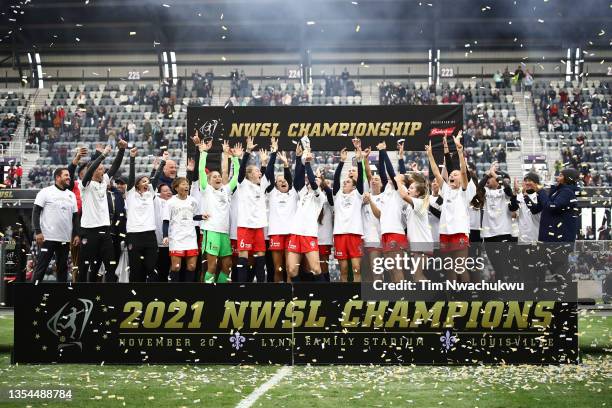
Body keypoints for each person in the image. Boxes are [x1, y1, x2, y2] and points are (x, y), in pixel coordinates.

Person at [78, 141, 126, 282]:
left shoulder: (104, 181)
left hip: (105, 230)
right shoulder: (85, 185)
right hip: (89, 230)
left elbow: (115, 166)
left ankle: (110, 294)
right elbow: (91, 170)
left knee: (110, 265)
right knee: (86, 265)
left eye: (102, 168)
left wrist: (121, 150)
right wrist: (103, 155)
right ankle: (82, 292)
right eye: (99, 169)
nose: (103, 171)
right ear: (92, 171)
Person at [426, 132, 470, 281]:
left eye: (455, 174)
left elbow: (463, 171)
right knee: (449, 270)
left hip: (459, 232)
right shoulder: (445, 189)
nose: (452, 175)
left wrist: (459, 151)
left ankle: (468, 298)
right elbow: (436, 172)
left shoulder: (464, 192)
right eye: (451, 174)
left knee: (461, 268)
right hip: (445, 233)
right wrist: (430, 155)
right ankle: (450, 298)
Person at [198, 138, 241, 284]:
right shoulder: (206, 190)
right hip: (211, 230)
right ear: (209, 181)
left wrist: (235, 158)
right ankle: (208, 292)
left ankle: (221, 289)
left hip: (224, 232)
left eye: (219, 176)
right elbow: (201, 171)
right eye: (214, 176)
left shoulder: (226, 190)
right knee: (212, 265)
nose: (217, 178)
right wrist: (203, 153)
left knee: (227, 266)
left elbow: (236, 176)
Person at [285, 149, 328, 282]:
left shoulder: (320, 197)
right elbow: (298, 179)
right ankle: (299, 296)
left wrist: (308, 163)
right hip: (295, 234)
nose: (314, 180)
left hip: (309, 234)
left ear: (322, 184)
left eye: (317, 179)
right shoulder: (304, 193)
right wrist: (299, 158)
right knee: (291, 270)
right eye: (313, 179)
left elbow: (313, 183)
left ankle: (327, 296)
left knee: (315, 268)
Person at [32, 168, 79, 283]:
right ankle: (32, 295)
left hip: (65, 239)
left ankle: (61, 296)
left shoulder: (71, 195)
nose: (69, 177)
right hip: (48, 237)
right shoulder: (45, 192)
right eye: (66, 175)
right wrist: (38, 231)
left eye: (69, 175)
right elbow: (36, 212)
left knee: (62, 269)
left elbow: (75, 217)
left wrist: (76, 234)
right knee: (41, 268)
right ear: (58, 177)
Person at [235, 136, 270, 282]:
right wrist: (248, 151)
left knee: (260, 259)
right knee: (243, 258)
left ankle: (262, 287)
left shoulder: (261, 186)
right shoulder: (243, 184)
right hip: (245, 226)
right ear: (249, 175)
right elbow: (242, 168)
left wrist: (264, 163)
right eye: (256, 172)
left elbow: (264, 174)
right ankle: (242, 287)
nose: (259, 173)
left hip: (259, 227)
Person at [125, 147, 158, 282]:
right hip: (134, 235)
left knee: (151, 267)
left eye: (147, 181)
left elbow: (154, 180)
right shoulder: (130, 194)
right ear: (137, 185)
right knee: (136, 269)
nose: (147, 183)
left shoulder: (150, 194)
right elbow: (132, 176)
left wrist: (159, 165)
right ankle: (134, 294)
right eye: (143, 181)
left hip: (150, 235)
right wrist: (132, 158)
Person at [265, 139, 297, 282]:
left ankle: (290, 295)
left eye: (284, 180)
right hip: (276, 233)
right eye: (279, 181)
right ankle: (278, 296)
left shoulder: (293, 194)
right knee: (278, 268)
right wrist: (273, 154)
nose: (283, 181)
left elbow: (289, 179)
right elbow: (270, 175)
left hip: (291, 234)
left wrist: (286, 165)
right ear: (275, 185)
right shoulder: (272, 193)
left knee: (290, 268)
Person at [333, 145, 365, 282]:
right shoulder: (338, 195)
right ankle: (344, 296)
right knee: (344, 269)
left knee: (356, 268)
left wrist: (359, 160)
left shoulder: (357, 194)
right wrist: (341, 161)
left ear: (353, 186)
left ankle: (359, 296)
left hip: (354, 234)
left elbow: (361, 181)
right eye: (344, 181)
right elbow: (335, 178)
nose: (344, 182)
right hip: (340, 234)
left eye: (348, 182)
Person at [162, 177, 202, 282]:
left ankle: (188, 292)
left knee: (192, 266)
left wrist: (202, 216)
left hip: (191, 237)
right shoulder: (170, 202)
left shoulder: (193, 201)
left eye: (187, 184)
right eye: (183, 184)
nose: (186, 186)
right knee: (176, 266)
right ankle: (174, 291)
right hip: (176, 238)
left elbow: (193, 216)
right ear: (176, 188)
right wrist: (165, 236)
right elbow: (166, 221)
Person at [154, 183, 173, 281]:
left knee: (174, 268)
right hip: (161, 243)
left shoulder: (175, 201)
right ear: (159, 193)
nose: (168, 192)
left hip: (175, 242)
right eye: (165, 191)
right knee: (163, 269)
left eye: (169, 190)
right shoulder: (157, 201)